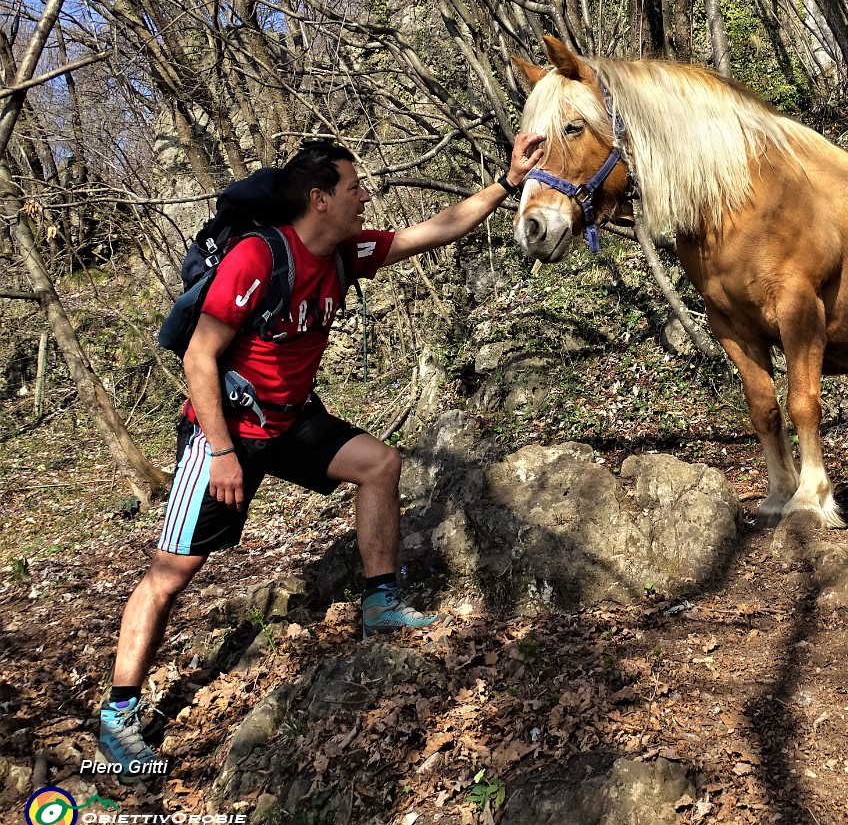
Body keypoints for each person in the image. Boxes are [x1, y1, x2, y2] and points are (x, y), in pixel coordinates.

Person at [98, 134, 545, 783]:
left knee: (380, 464)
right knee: (171, 573)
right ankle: (119, 714)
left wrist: (507, 182)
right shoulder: (257, 258)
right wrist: (221, 451)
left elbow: (436, 230)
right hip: (227, 427)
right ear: (320, 198)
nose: (365, 196)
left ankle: (381, 599)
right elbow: (199, 357)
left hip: (290, 419)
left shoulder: (344, 253)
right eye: (353, 186)